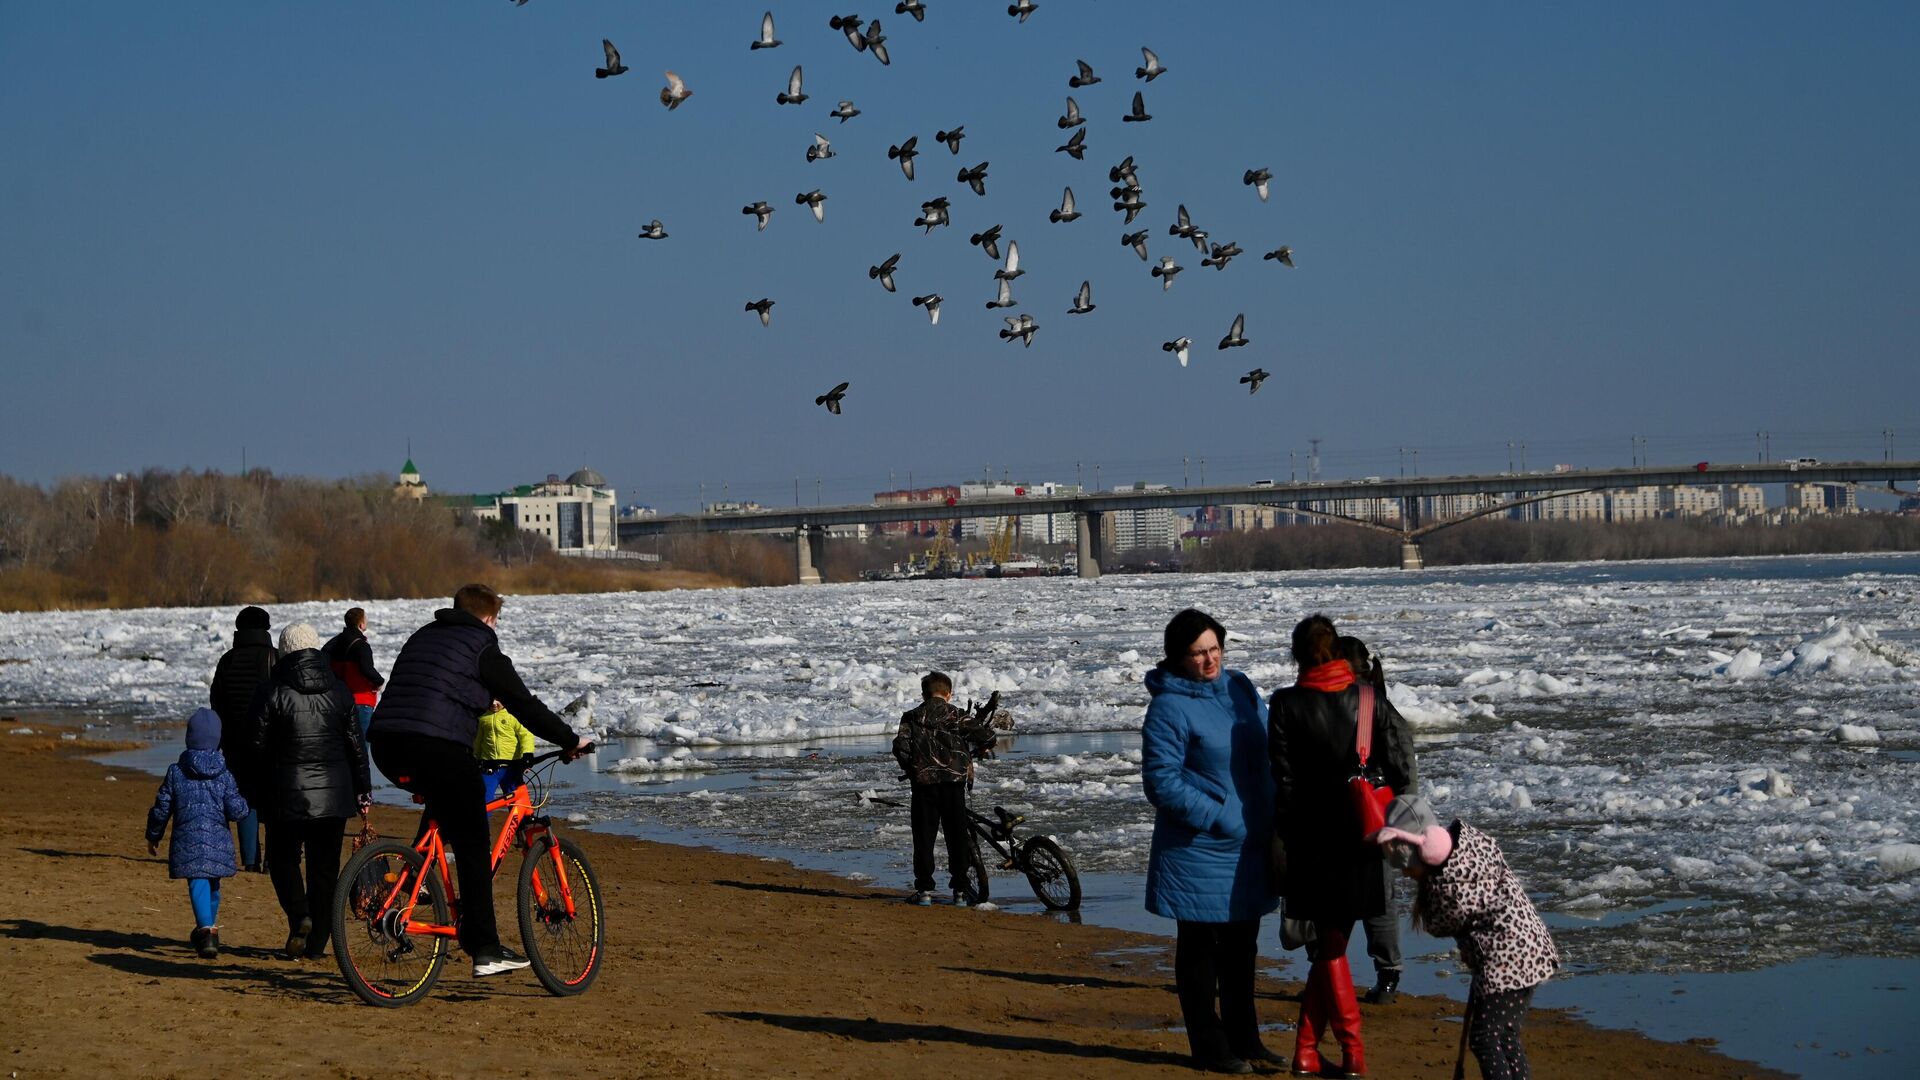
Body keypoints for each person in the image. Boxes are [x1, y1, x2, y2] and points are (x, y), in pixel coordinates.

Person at [367, 583, 592, 977]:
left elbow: (430, 689)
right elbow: (523, 703)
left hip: (386, 744)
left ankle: (419, 876)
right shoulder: (482, 645)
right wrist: (569, 739)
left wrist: (478, 701)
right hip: (433, 745)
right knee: (473, 837)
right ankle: (485, 947)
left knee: (448, 800)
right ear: (488, 618)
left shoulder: (424, 635)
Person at [1268, 614, 1415, 1079]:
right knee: (1332, 947)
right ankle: (1350, 1053)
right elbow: (1397, 772)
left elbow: (1284, 784)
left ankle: (1313, 1053)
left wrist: (1290, 840)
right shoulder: (1370, 699)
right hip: (1362, 840)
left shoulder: (1285, 704)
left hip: (1312, 842)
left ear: (1297, 655)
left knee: (1328, 949)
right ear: (1337, 652)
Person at [1142, 608, 1282, 1075]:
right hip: (1198, 850)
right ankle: (1209, 1047)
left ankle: (1247, 1040)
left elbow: (1268, 749)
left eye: (1215, 649)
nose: (1209, 660)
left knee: (1243, 949)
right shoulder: (1168, 706)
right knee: (1201, 952)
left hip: (1249, 847)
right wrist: (1220, 817)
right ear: (1179, 658)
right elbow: (1161, 782)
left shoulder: (1241, 687)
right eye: (1198, 652)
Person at [1370, 796, 1558, 1080]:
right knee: (1505, 1036)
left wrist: (1429, 890)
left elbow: (1438, 924)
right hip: (1529, 950)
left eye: (1408, 868)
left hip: (1506, 960)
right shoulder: (1470, 849)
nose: (1407, 875)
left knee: (1485, 1038)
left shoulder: (1451, 886)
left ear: (1425, 854)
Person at [246, 622, 369, 960]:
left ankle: (300, 915)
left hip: (286, 794)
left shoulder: (270, 690)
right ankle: (316, 945)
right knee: (324, 871)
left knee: (283, 861)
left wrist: (254, 791)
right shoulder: (340, 690)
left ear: (284, 652)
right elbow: (356, 747)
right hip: (334, 797)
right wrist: (364, 791)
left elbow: (254, 748)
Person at [1337, 636, 1419, 1006]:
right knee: (1374, 894)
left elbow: (1402, 764)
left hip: (1362, 813)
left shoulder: (1368, 705)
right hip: (1370, 814)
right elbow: (1405, 767)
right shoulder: (1372, 702)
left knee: (1366, 894)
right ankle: (1383, 972)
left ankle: (1373, 969)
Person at [145, 707, 251, 959]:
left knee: (201, 884)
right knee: (211, 885)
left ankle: (207, 930)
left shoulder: (176, 772)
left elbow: (162, 807)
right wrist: (246, 806)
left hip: (188, 843)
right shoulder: (224, 774)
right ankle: (208, 928)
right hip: (218, 844)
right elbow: (237, 810)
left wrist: (153, 834)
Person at [891, 671, 998, 907]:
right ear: (948, 694)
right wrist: (971, 752)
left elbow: (900, 747)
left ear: (923, 694)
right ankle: (960, 891)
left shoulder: (910, 717)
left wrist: (913, 767)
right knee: (956, 837)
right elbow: (988, 736)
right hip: (953, 785)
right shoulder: (957, 716)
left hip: (923, 785)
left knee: (924, 837)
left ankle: (925, 891)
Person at [209, 605, 276, 873]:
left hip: (236, 743)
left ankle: (250, 860)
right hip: (271, 743)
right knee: (273, 801)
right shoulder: (275, 657)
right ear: (266, 629)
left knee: (245, 800)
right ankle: (273, 859)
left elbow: (217, 702)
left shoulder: (227, 660)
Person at [323, 607, 386, 737]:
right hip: (361, 700)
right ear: (361, 624)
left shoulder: (335, 642)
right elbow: (366, 669)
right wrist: (380, 682)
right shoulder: (362, 646)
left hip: (339, 699)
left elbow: (323, 658)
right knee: (362, 743)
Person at [473, 699, 535, 804]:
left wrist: (527, 754)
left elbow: (526, 735)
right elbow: (478, 741)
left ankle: (521, 820)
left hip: (511, 766)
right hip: (489, 767)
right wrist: (475, 758)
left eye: (498, 700)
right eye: (491, 699)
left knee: (516, 800)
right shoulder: (483, 717)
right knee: (484, 800)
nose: (494, 703)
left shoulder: (513, 715)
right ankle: (483, 820)